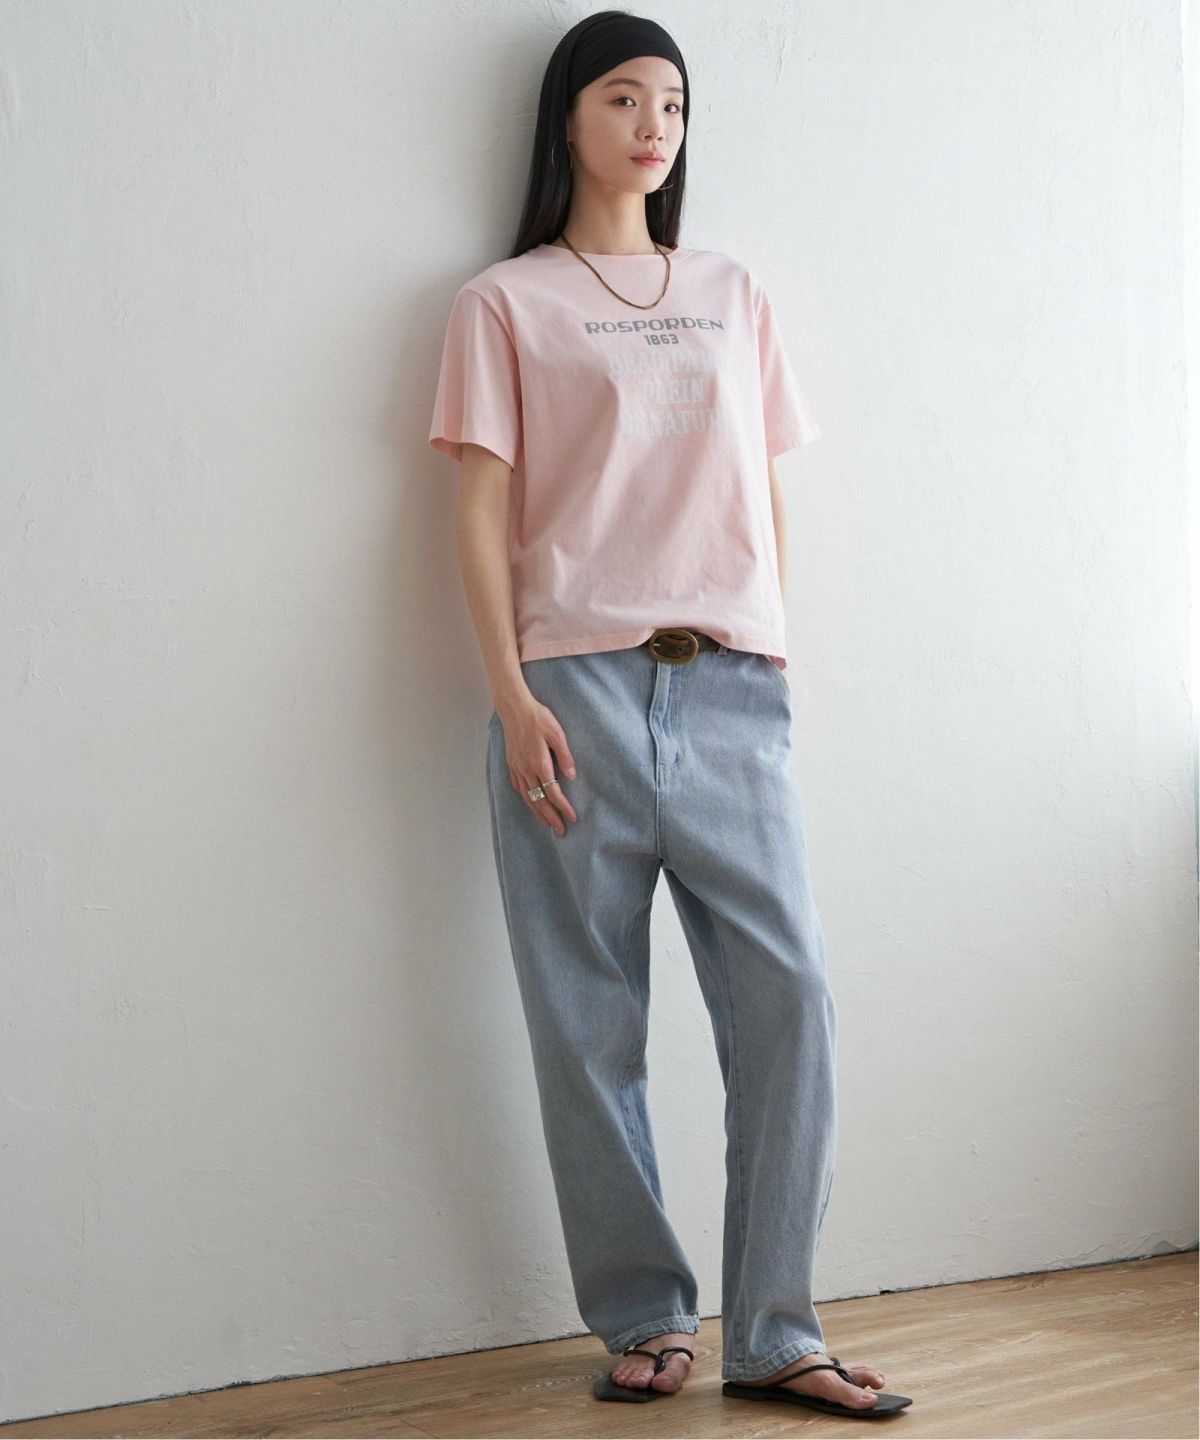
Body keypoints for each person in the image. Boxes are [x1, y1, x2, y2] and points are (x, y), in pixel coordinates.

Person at [427, 9, 911, 1421]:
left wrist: (775, 653)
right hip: (570, 691)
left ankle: (776, 1331)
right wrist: (509, 691)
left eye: (676, 106)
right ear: (569, 116)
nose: (655, 128)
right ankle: (644, 1315)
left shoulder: (730, 289)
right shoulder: (504, 303)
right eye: (626, 99)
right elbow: (479, 508)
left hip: (733, 688)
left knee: (791, 1001)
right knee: (588, 1023)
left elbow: (762, 486)